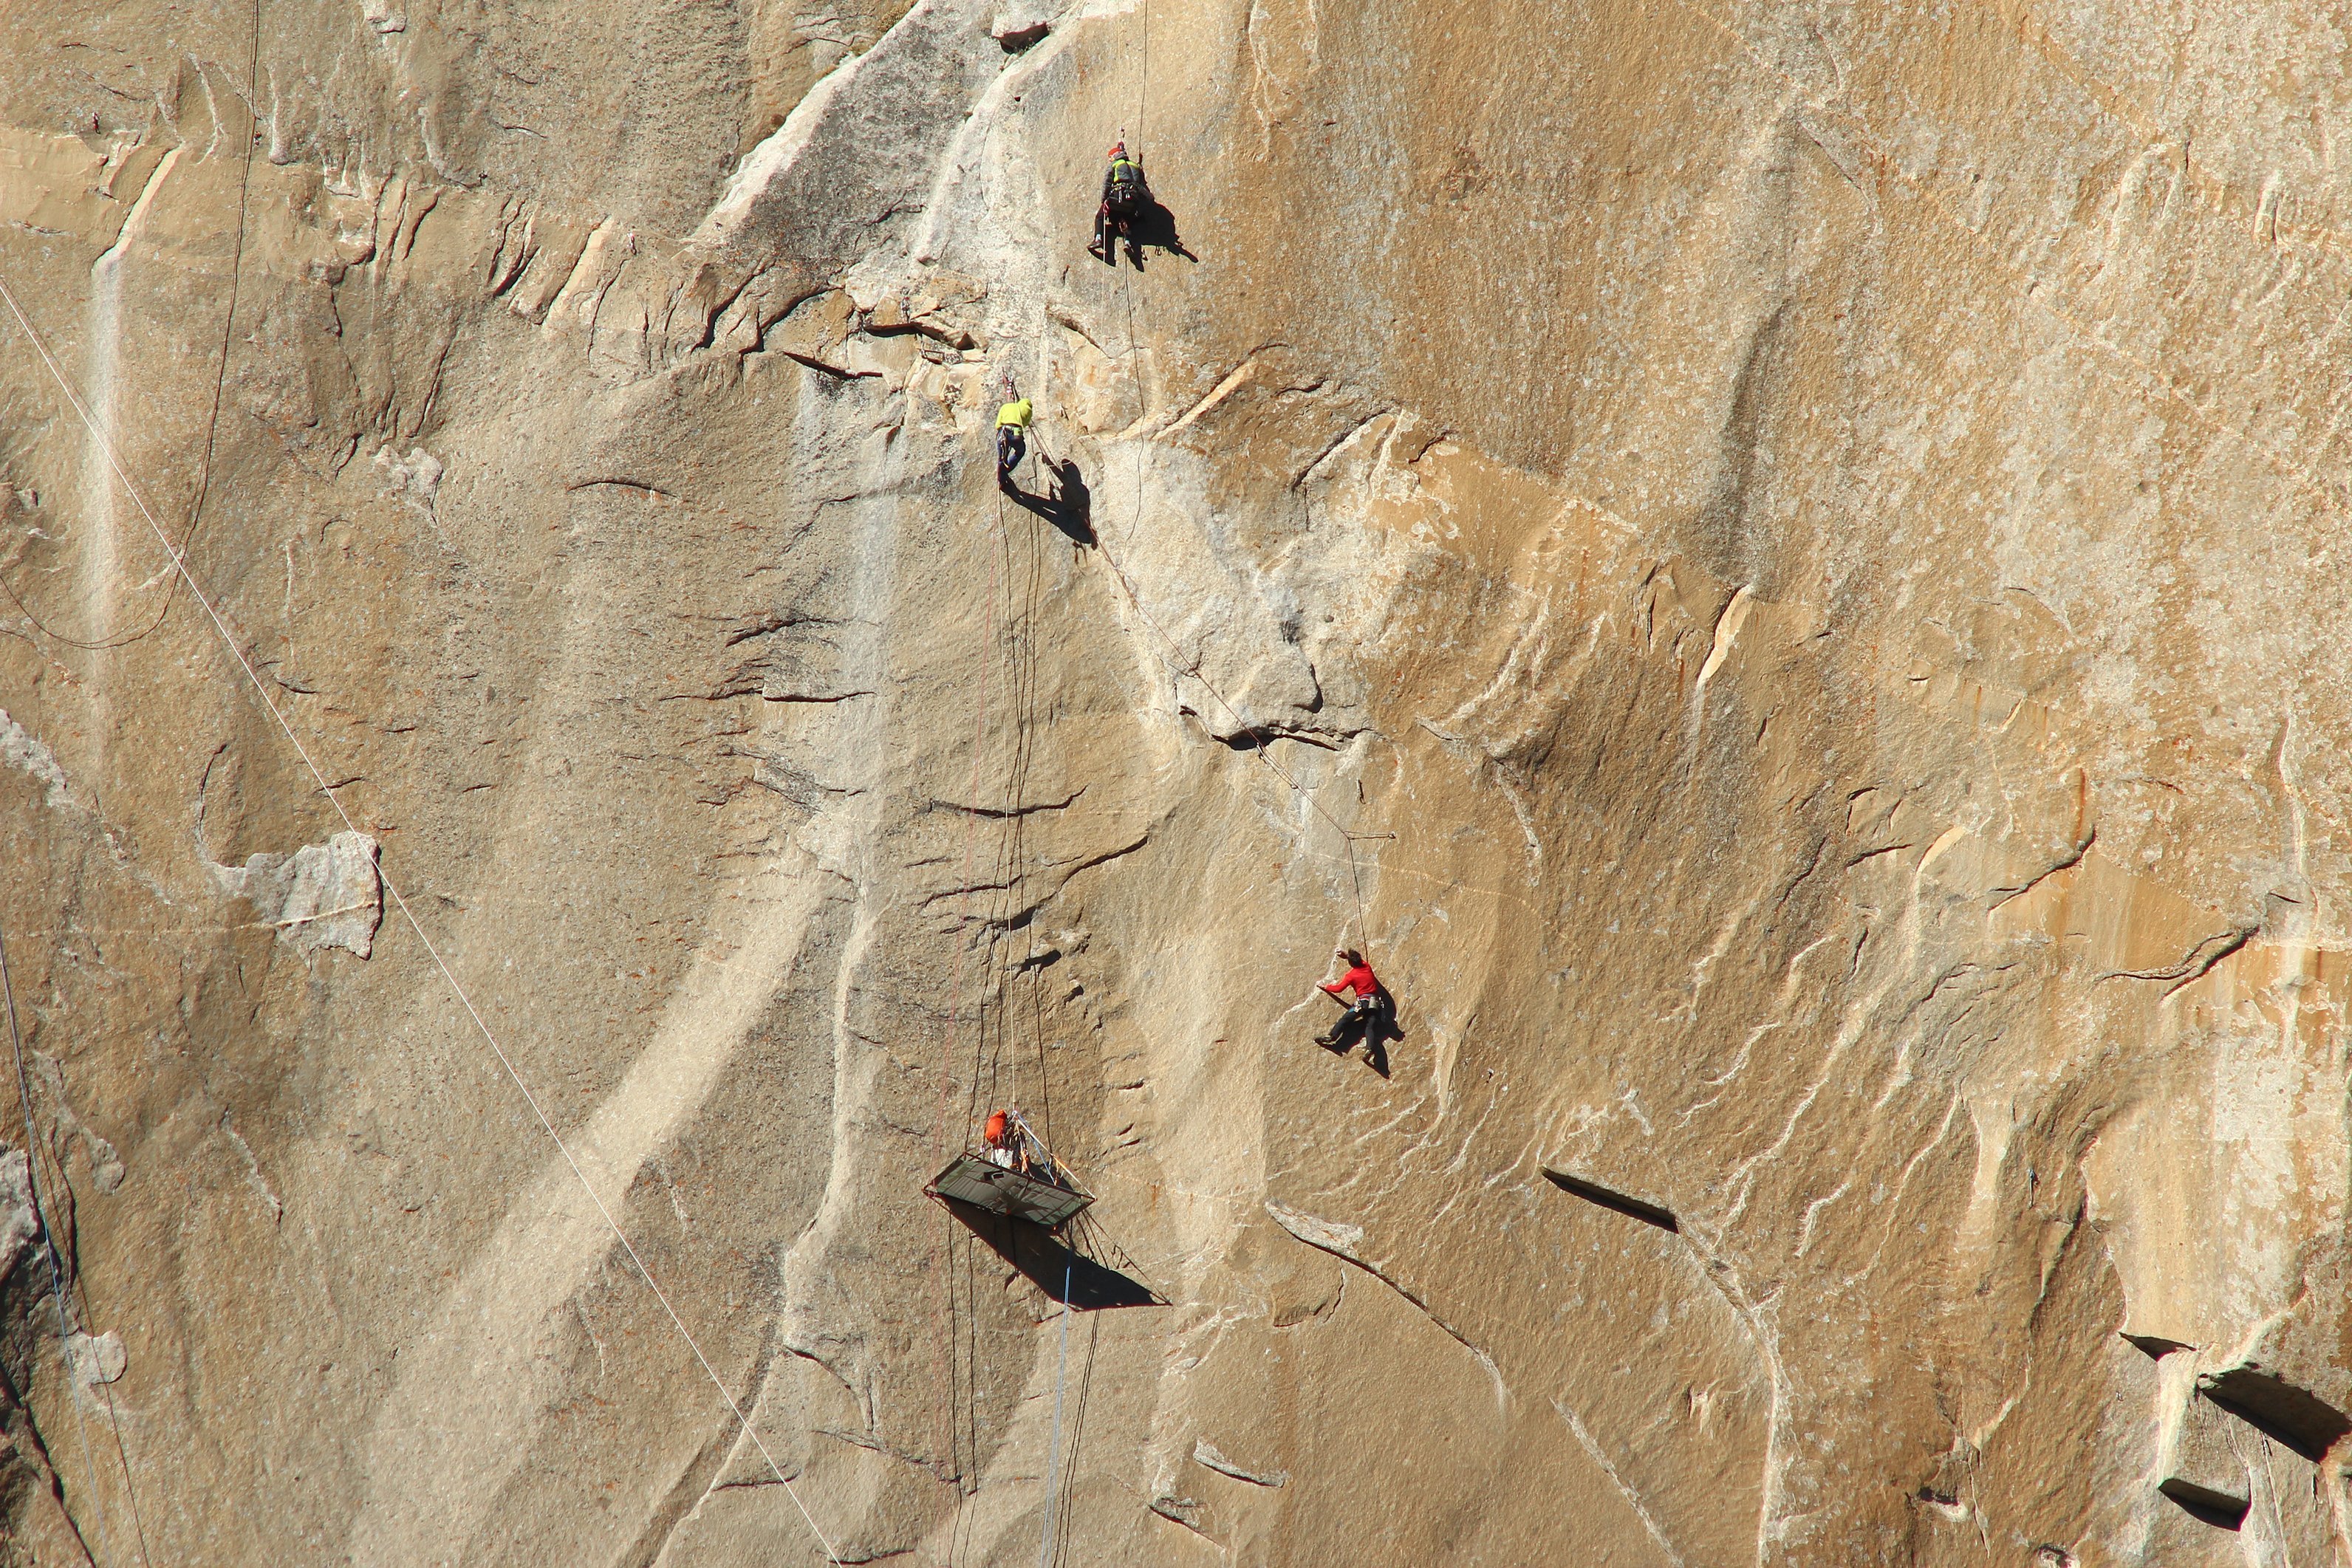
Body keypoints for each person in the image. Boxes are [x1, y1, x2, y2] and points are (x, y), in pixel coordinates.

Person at [1088, 140, 1150, 264]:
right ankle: (1128, 243)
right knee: (1125, 220)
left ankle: (1098, 239)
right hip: (1132, 199)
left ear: (1115, 156)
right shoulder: (1135, 166)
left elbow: (1107, 182)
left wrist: (1104, 200)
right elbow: (1142, 186)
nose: (1110, 160)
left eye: (1111, 157)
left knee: (1100, 217)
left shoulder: (1115, 165)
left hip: (1117, 195)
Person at [1315, 948, 1385, 1047]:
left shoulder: (1351, 976)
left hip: (1363, 1003)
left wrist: (1325, 986)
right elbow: (1358, 961)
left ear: (1351, 964)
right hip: (1375, 1004)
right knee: (1369, 1027)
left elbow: (1339, 988)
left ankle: (1332, 1036)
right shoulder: (1367, 967)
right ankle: (1370, 1049)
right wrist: (1347, 956)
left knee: (1345, 1020)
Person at [996, 391, 1033, 485]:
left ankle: (1001, 480)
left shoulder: (1006, 407)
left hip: (1004, 432)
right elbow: (1024, 424)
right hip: (1016, 434)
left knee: (1002, 458)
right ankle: (1008, 468)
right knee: (1021, 451)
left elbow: (998, 425)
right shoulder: (1028, 410)